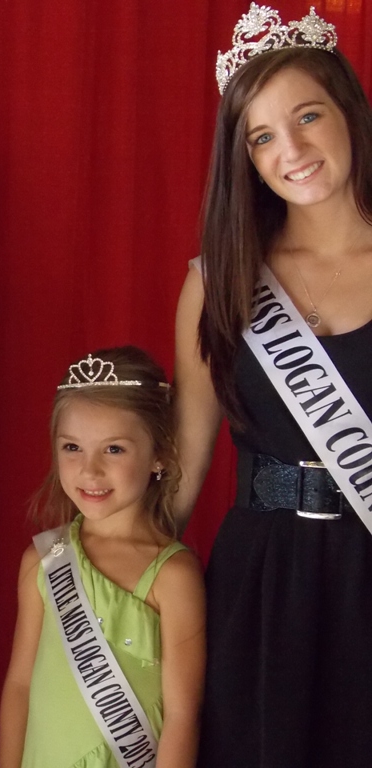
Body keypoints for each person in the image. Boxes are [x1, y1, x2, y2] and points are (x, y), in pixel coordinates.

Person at [174, 5, 372, 766]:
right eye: (261, 136)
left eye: (308, 116)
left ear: (348, 111)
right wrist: (111, 569)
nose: (291, 150)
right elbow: (186, 464)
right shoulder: (219, 283)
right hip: (260, 587)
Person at [0, 347, 205, 768]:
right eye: (72, 447)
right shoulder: (42, 560)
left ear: (160, 453)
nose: (89, 470)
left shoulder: (172, 575)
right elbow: (19, 685)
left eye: (114, 450)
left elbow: (183, 716)